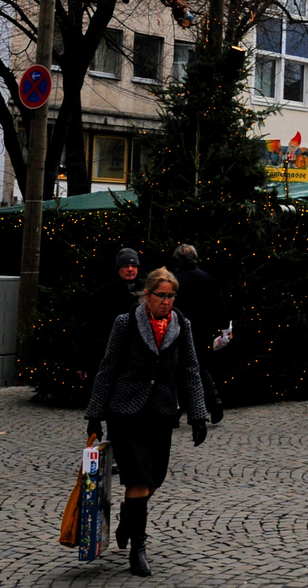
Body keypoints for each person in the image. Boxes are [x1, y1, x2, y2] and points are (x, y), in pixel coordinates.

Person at [86, 268, 209, 578]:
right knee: (138, 479)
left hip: (161, 412)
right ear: (147, 295)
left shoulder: (182, 325)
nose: (167, 302)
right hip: (125, 412)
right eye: (161, 296)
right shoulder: (126, 323)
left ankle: (129, 516)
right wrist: (94, 417)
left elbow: (190, 370)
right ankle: (138, 550)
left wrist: (197, 414)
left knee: (154, 479)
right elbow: (108, 367)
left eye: (171, 296)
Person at [169, 244, 230, 425]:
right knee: (200, 365)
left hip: (180, 329)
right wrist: (225, 327)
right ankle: (213, 400)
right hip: (205, 328)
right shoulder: (207, 278)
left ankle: (178, 410)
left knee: (180, 369)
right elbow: (220, 304)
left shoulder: (175, 281)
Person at [90, 249, 146, 379]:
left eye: (133, 266)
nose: (130, 269)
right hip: (112, 352)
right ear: (118, 268)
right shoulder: (103, 294)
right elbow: (93, 329)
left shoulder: (148, 290)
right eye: (125, 266)